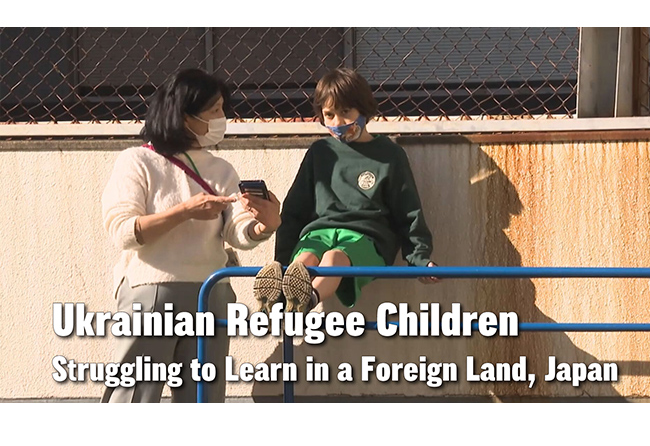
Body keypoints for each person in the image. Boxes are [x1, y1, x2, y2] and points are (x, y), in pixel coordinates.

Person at [100, 68, 281, 403]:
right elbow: (124, 231)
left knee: (204, 399)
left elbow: (236, 230)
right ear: (185, 116)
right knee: (133, 398)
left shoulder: (221, 169)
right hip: (152, 292)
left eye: (223, 110)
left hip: (212, 292)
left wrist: (264, 224)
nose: (222, 118)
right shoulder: (138, 161)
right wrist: (184, 212)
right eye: (214, 111)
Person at [253, 67, 439, 315]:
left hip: (366, 238)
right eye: (329, 115)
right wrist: (282, 260)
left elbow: (408, 211)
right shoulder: (320, 153)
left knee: (335, 258)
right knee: (305, 257)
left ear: (364, 109)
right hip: (319, 233)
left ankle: (305, 303)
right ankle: (280, 297)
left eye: (345, 113)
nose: (337, 123)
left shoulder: (390, 156)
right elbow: (294, 210)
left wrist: (419, 259)